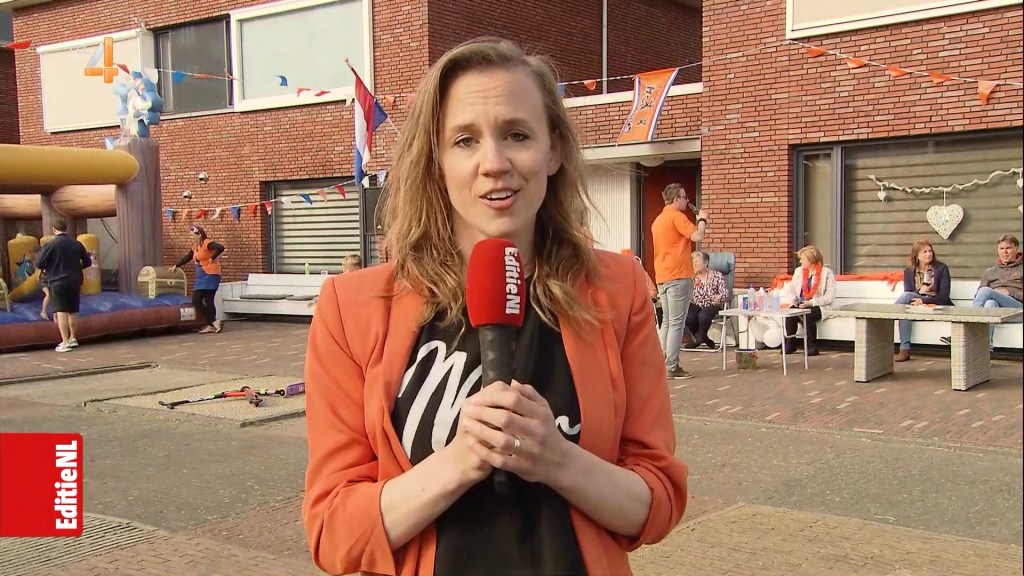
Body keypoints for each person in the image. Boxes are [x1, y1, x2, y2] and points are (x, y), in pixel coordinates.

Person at [302, 37, 688, 576]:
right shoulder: (353, 307)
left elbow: (657, 501)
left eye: (517, 135)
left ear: (553, 150)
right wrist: (461, 459)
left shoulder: (617, 290)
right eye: (465, 140)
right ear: (436, 160)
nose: (495, 163)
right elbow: (333, 534)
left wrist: (557, 459)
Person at [651, 182, 708, 379]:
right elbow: (698, 235)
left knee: (667, 321)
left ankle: (660, 364)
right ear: (676, 199)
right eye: (684, 198)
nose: (687, 201)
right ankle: (672, 366)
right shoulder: (677, 217)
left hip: (663, 276)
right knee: (677, 323)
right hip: (679, 275)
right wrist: (702, 219)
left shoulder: (658, 220)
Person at [941, 234, 1022, 350]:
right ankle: (985, 350)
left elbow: (984, 292)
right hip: (999, 313)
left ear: (1016, 248)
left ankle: (963, 333)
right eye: (1001, 248)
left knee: (986, 291)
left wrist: (1010, 292)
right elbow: (979, 297)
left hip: (1018, 310)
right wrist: (995, 293)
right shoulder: (990, 272)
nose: (1005, 252)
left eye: (1008, 248)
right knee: (990, 303)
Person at [34, 219, 91, 352]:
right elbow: (87, 262)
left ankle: (64, 342)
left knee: (61, 311)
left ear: (54, 229)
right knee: (73, 310)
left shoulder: (50, 245)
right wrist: (77, 268)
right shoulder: (77, 244)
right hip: (75, 281)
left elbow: (39, 263)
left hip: (57, 281)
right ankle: (73, 338)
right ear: (67, 229)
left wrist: (50, 266)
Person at [892, 240, 952, 362]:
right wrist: (919, 293)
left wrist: (923, 300)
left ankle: (888, 316)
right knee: (905, 311)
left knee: (905, 303)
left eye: (930, 251)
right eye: (925, 252)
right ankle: (904, 350)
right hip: (917, 307)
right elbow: (909, 293)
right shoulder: (909, 271)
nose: (929, 254)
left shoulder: (941, 268)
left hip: (937, 306)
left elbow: (944, 296)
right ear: (917, 256)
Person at [780, 245, 835, 357]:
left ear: (811, 260)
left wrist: (812, 302)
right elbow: (792, 289)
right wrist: (795, 300)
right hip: (801, 303)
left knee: (807, 314)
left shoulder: (826, 273)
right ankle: (790, 343)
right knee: (790, 314)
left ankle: (812, 346)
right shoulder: (799, 271)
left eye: (803, 259)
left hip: (818, 305)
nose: (800, 261)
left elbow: (829, 296)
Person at [170, 226, 224, 334]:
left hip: (211, 274)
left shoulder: (207, 243)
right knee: (200, 300)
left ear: (199, 235)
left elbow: (220, 247)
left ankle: (212, 322)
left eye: (193, 236)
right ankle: (212, 323)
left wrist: (212, 257)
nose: (192, 238)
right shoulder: (195, 246)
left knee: (204, 299)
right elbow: (188, 257)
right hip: (201, 275)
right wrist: (176, 265)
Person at [684, 251, 728, 350]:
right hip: (696, 304)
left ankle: (698, 340)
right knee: (688, 316)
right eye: (693, 261)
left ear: (706, 263)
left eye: (697, 261)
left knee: (703, 315)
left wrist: (719, 297)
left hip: (712, 304)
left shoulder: (717, 275)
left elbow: (724, 293)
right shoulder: (692, 278)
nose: (694, 264)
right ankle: (703, 338)